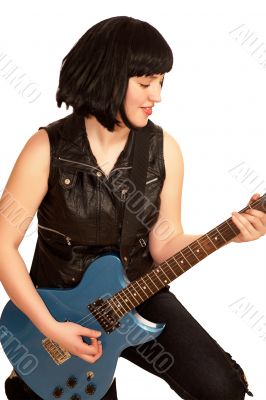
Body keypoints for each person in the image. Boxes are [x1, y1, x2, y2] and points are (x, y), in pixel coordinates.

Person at [0, 16, 265, 400]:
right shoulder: (45, 149)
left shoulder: (164, 150)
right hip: (61, 307)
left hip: (138, 294)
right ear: (107, 77)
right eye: (145, 83)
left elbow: (164, 245)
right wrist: (50, 327)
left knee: (222, 388)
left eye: (161, 82)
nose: (157, 95)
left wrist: (230, 235)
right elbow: (3, 244)